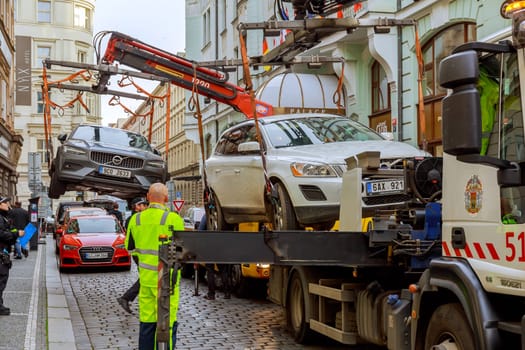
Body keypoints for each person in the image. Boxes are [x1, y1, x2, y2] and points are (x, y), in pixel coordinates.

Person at [125, 183, 184, 349]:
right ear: (166, 199)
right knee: (167, 324)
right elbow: (182, 250)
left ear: (148, 197)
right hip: (168, 283)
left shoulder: (135, 219)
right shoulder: (174, 219)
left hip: (146, 281)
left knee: (147, 324)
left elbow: (130, 248)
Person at [117, 197, 148, 314]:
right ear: (137, 206)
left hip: (140, 252)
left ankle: (127, 298)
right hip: (138, 253)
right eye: (143, 205)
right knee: (146, 277)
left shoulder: (137, 218)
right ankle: (126, 298)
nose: (145, 207)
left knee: (146, 277)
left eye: (145, 204)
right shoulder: (133, 219)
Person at [200, 214, 233, 300]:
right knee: (223, 270)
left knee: (210, 270)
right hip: (221, 247)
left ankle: (211, 294)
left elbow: (200, 230)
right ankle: (227, 293)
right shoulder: (223, 216)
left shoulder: (206, 217)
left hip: (209, 246)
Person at [0, 197, 22, 315]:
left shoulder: (4, 216)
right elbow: (2, 234)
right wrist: (16, 233)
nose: (8, 204)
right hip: (1, 253)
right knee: (1, 279)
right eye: (5, 202)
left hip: (4, 251)